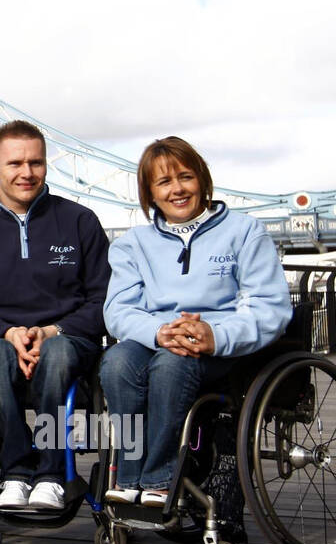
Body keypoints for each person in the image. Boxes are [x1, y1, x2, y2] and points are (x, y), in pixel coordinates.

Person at [100, 137, 292, 507]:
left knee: (173, 364)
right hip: (155, 341)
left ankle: (159, 479)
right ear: (150, 194)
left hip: (222, 350)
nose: (177, 189)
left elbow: (270, 307)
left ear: (202, 179)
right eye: (164, 182)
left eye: (185, 177)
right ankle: (127, 477)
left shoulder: (245, 232)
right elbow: (119, 310)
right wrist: (159, 332)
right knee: (116, 363)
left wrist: (214, 335)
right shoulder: (131, 244)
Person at [0, 120, 110, 510]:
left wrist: (54, 330)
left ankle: (53, 474)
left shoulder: (80, 221)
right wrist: (7, 334)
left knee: (56, 353)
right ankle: (17, 471)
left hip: (68, 344)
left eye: (35, 163)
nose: (26, 173)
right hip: (3, 345)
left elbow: (105, 301)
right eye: (15, 163)